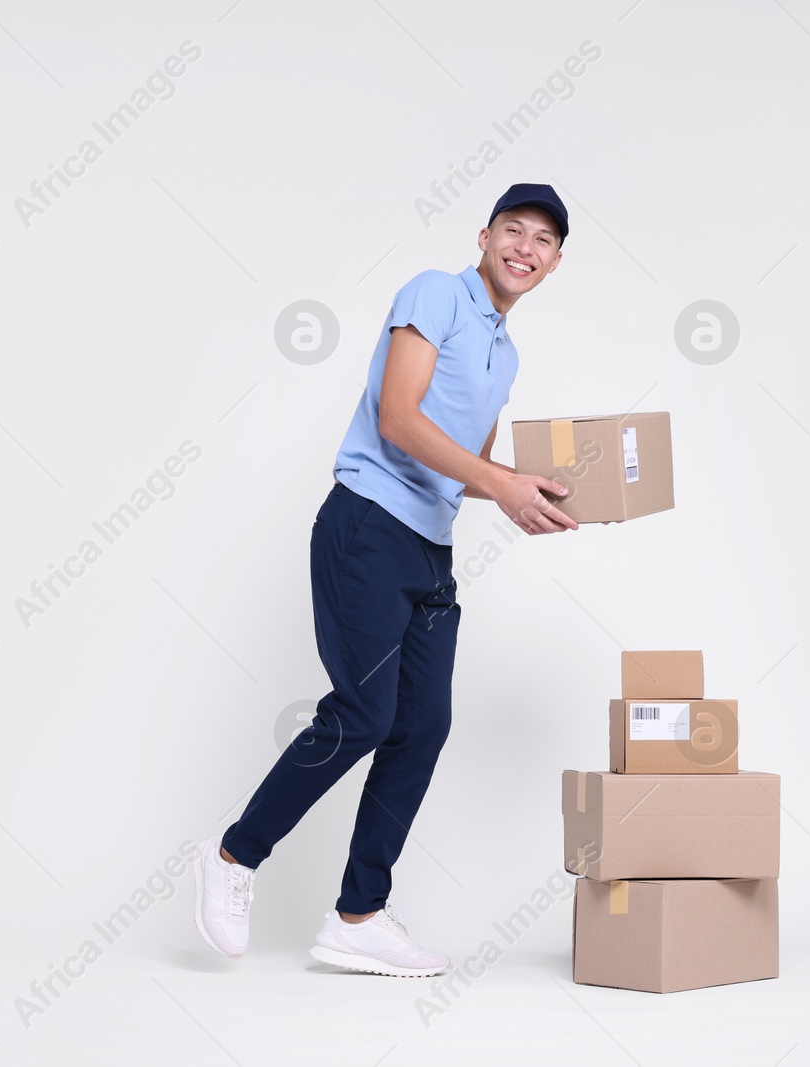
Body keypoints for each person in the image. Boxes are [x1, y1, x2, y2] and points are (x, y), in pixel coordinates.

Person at [194, 184, 579, 977]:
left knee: (421, 726)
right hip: (366, 527)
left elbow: (458, 462)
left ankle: (358, 916)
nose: (525, 248)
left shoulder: (505, 354)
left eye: (543, 240)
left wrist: (517, 487)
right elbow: (399, 419)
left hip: (428, 551)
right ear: (484, 235)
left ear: (555, 262)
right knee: (363, 714)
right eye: (514, 230)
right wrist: (499, 480)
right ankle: (234, 854)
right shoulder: (435, 292)